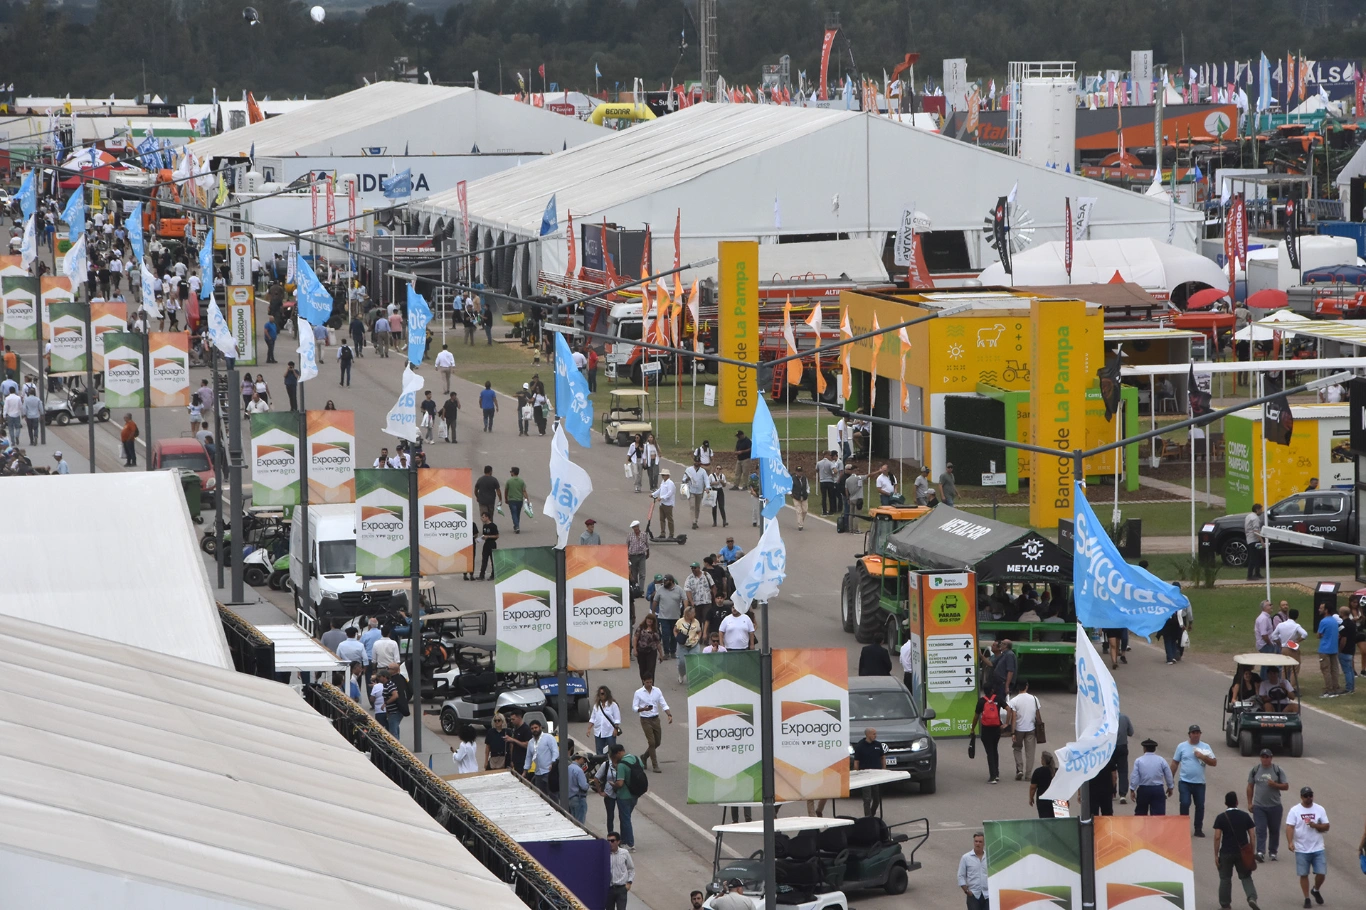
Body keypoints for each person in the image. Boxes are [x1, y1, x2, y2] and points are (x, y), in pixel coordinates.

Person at [1213, 791, 1260, 910]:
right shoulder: (1245, 816)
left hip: (1226, 852)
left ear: (1225, 803)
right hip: (1242, 852)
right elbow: (1252, 835)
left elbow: (1217, 837)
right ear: (1237, 802)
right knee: (1246, 876)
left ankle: (1225, 905)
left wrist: (1216, 855)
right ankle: (1251, 897)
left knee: (1225, 878)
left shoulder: (1221, 817)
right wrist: (1251, 852)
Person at [1285, 786, 1330, 908]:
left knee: (1321, 873)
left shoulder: (1319, 809)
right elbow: (1290, 827)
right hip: (1301, 848)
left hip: (1318, 847)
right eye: (1306, 796)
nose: (1309, 798)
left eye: (1311, 795)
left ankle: (1315, 889)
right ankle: (1307, 898)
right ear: (1301, 797)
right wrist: (1290, 842)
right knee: (1304, 874)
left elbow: (1327, 826)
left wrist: (1316, 826)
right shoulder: (1295, 810)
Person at [1171, 724, 1217, 836]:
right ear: (1189, 734)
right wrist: (1170, 779)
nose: (1196, 735)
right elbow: (1175, 763)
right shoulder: (1182, 746)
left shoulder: (1205, 747)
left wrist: (1202, 757)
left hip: (1199, 783)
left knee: (1200, 806)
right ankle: (1183, 828)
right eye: (1194, 733)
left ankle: (1198, 829)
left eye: (1198, 733)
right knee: (1185, 803)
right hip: (1185, 782)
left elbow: (1214, 762)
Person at [1247, 747, 1289, 862]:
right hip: (1259, 806)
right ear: (1260, 758)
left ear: (1271, 758)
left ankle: (1273, 852)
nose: (1265, 759)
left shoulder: (1277, 770)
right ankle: (1260, 852)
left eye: (1267, 757)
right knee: (1260, 829)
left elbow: (1286, 786)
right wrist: (1250, 803)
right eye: (1263, 757)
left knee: (1274, 830)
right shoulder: (1255, 770)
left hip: (1275, 806)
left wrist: (1275, 785)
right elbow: (1250, 786)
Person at [970, 681, 1012, 784]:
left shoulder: (981, 701)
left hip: (986, 730)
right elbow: (1009, 709)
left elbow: (976, 717)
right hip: (996, 729)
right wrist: (1006, 723)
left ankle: (992, 776)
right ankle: (996, 774)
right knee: (994, 749)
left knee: (989, 752)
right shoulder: (997, 699)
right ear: (992, 690)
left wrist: (972, 729)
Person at [632, 677, 671, 773]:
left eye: (650, 682)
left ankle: (644, 756)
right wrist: (643, 709)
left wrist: (669, 714)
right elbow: (634, 707)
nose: (649, 684)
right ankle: (655, 765)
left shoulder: (657, 691)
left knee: (657, 742)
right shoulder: (638, 693)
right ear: (643, 681)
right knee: (652, 742)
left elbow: (663, 703)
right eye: (647, 682)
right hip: (645, 719)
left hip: (655, 719)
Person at [1009, 678, 1042, 782]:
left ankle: (1020, 769)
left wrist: (1012, 732)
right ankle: (1028, 775)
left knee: (1017, 748)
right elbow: (1038, 716)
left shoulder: (1014, 700)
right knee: (1030, 753)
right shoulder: (1034, 699)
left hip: (1019, 729)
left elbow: (1013, 718)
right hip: (1031, 729)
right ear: (1026, 686)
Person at [1129, 737, 1174, 815]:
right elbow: (1168, 774)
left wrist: (1132, 789)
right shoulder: (1161, 760)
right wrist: (1170, 787)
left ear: (1144, 749)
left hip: (1143, 790)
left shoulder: (1139, 761)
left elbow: (1135, 776)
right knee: (1158, 816)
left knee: (1141, 814)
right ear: (1155, 749)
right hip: (1157, 789)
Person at [851, 727, 887, 815]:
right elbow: (856, 761)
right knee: (867, 799)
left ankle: (872, 813)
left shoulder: (878, 745)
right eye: (874, 734)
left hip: (876, 774)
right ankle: (867, 817)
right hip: (865, 775)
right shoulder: (860, 746)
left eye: (876, 734)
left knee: (877, 799)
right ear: (868, 734)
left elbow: (882, 757)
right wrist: (856, 774)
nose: (875, 736)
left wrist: (884, 769)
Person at [652, 575, 683, 661]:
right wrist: (653, 612)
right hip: (663, 617)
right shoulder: (660, 589)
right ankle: (666, 652)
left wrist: (685, 612)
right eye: (664, 581)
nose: (664, 583)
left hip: (675, 617)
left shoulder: (679, 589)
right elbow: (655, 601)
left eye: (666, 581)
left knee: (674, 635)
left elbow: (685, 599)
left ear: (671, 581)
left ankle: (673, 652)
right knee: (665, 635)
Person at [523, 718, 559, 792]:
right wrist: (525, 771)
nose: (534, 730)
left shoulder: (548, 737)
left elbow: (555, 751)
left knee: (551, 793)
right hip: (538, 773)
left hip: (549, 771)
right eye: (532, 728)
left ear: (540, 727)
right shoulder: (531, 742)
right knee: (540, 794)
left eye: (536, 727)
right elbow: (528, 757)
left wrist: (553, 763)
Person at [957, 832, 989, 910]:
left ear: (984, 843)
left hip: (987, 895)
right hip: (973, 895)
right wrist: (967, 891)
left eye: (980, 842)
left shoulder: (989, 857)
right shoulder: (966, 858)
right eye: (976, 841)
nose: (978, 844)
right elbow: (961, 876)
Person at [587, 685, 623, 754]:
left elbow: (617, 719)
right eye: (600, 694)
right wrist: (589, 729)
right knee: (599, 751)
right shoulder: (596, 706)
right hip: (598, 732)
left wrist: (615, 729)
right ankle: (601, 761)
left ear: (607, 694)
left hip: (610, 732)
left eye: (603, 693)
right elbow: (593, 718)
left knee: (612, 751)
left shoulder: (613, 705)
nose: (601, 695)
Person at [1316, 605, 1342, 696]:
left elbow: (1319, 634)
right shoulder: (1334, 621)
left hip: (1325, 649)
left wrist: (1321, 635)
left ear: (1326, 610)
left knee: (1326, 670)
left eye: (1321, 608)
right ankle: (1335, 687)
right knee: (1334, 669)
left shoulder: (1323, 621)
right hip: (1334, 648)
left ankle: (1329, 689)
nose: (1319, 610)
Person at [674, 604, 703, 684]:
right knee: (682, 663)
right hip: (682, 645)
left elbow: (699, 631)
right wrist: (677, 638)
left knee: (694, 662)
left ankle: (692, 677)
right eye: (692, 613)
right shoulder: (680, 621)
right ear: (687, 614)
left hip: (694, 645)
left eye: (694, 613)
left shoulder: (696, 622)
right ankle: (681, 674)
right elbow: (675, 630)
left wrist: (698, 638)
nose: (694, 614)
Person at [606, 832, 634, 910]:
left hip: (621, 888)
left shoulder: (624, 853)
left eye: (612, 841)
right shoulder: (605, 854)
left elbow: (631, 868)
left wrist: (629, 883)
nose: (610, 843)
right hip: (609, 889)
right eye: (608, 841)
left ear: (618, 842)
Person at [633, 614, 663, 682]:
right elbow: (635, 638)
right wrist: (635, 649)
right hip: (641, 651)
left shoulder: (655, 630)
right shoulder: (640, 628)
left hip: (651, 652)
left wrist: (661, 654)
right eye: (648, 619)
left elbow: (658, 643)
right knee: (642, 669)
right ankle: (644, 684)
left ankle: (651, 685)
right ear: (646, 619)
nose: (649, 621)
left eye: (651, 620)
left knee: (651, 669)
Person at [683, 457, 710, 530]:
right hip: (691, 491)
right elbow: (683, 479)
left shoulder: (703, 471)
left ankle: (696, 519)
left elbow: (706, 479)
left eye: (698, 462)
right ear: (694, 461)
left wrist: (707, 487)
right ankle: (693, 521)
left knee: (697, 507)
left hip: (699, 491)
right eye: (696, 461)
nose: (697, 463)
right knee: (692, 506)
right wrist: (687, 479)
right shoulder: (688, 470)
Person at [1029, 751, 1058, 818]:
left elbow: (1033, 787)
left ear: (1043, 760)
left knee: (1045, 821)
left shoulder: (1038, 772)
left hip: (1043, 801)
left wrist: (1031, 798)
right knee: (1059, 820)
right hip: (1058, 800)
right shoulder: (1057, 771)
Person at [1336, 605, 1357, 694]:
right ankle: (1352, 687)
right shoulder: (1353, 624)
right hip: (1352, 649)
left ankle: (1349, 688)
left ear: (1342, 613)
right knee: (1350, 669)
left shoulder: (1343, 625)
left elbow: (1343, 638)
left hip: (1345, 650)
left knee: (1347, 670)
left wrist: (1340, 649)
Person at [626, 520, 650, 596]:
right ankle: (636, 590)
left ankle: (641, 591)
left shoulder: (643, 534)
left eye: (636, 527)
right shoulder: (630, 535)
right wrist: (627, 556)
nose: (635, 528)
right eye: (634, 527)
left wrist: (648, 553)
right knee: (634, 574)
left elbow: (647, 544)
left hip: (641, 555)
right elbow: (627, 546)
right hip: (632, 556)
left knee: (642, 574)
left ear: (638, 527)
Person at [475, 510, 499, 581]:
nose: (482, 518)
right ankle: (481, 575)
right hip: (486, 544)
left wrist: (488, 537)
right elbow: (484, 535)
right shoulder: (484, 526)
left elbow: (497, 536)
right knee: (484, 560)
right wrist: (481, 539)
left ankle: (493, 575)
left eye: (483, 517)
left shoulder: (493, 526)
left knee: (492, 560)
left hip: (492, 544)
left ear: (487, 517)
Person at [567, 753, 591, 823]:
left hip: (570, 798)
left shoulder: (568, 768)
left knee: (573, 821)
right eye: (584, 761)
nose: (584, 763)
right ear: (581, 758)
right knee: (580, 822)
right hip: (579, 798)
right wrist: (588, 784)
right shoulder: (579, 770)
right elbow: (583, 786)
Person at [653, 468, 677, 538]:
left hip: (668, 504)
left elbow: (670, 493)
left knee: (670, 519)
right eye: (662, 475)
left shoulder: (670, 483)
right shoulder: (663, 482)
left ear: (667, 475)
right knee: (662, 519)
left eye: (664, 475)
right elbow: (660, 490)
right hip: (662, 503)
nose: (662, 476)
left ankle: (671, 534)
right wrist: (653, 494)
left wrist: (662, 498)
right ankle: (662, 533)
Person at [504, 467, 528, 533]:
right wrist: (527, 499)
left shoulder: (509, 481)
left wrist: (506, 498)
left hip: (512, 500)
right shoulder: (521, 481)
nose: (510, 473)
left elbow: (506, 491)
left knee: (514, 513)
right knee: (517, 514)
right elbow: (524, 491)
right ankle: (516, 526)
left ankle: (516, 526)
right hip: (519, 500)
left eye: (511, 472)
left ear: (513, 472)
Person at [1244, 504, 1265, 580]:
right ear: (1257, 510)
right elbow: (1256, 531)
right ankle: (1250, 575)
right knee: (1253, 557)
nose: (1261, 511)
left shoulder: (1249, 516)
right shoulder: (1255, 518)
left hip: (1250, 539)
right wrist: (1261, 541)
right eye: (1260, 510)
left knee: (1259, 556)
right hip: (1254, 540)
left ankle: (1257, 573)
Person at [817, 450, 841, 514]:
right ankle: (831, 510)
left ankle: (824, 511)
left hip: (822, 481)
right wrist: (833, 474)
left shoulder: (819, 463)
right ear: (827, 455)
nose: (830, 456)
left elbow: (816, 470)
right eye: (829, 455)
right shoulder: (830, 463)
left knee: (824, 497)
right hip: (830, 481)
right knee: (831, 496)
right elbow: (835, 471)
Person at [791, 464, 810, 530]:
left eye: (800, 471)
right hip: (796, 497)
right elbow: (790, 487)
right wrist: (791, 494)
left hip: (804, 496)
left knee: (805, 511)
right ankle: (800, 525)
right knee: (799, 511)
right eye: (798, 471)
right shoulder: (793, 479)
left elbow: (807, 486)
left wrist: (807, 492)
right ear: (796, 472)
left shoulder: (805, 478)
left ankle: (801, 521)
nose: (799, 473)